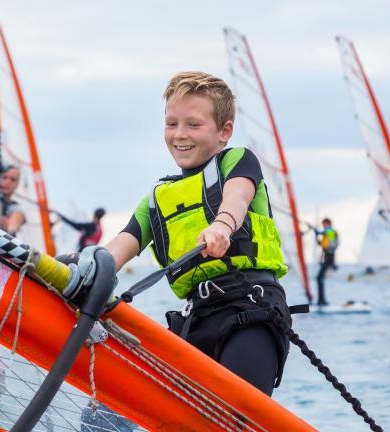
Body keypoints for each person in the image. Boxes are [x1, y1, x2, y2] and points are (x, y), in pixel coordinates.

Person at [60, 71, 292, 399]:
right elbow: (116, 250)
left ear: (224, 131)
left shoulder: (238, 160)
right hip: (196, 319)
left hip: (251, 311)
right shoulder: (156, 200)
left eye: (193, 125)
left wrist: (221, 227)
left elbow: (236, 198)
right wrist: (78, 271)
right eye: (172, 124)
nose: (180, 134)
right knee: (117, 407)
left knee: (237, 414)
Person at [314, 218, 339, 306]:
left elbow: (325, 232)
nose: (323, 226)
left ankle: (322, 301)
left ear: (328, 223)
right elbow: (320, 244)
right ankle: (321, 300)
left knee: (319, 278)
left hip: (330, 258)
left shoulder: (332, 232)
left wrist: (317, 231)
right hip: (326, 258)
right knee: (319, 278)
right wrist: (316, 235)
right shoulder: (327, 234)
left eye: (324, 224)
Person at [0, 165, 26, 236]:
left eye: (12, 180)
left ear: (17, 184)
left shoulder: (15, 207)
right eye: (4, 177)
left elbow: (17, 216)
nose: (7, 182)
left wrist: (10, 227)